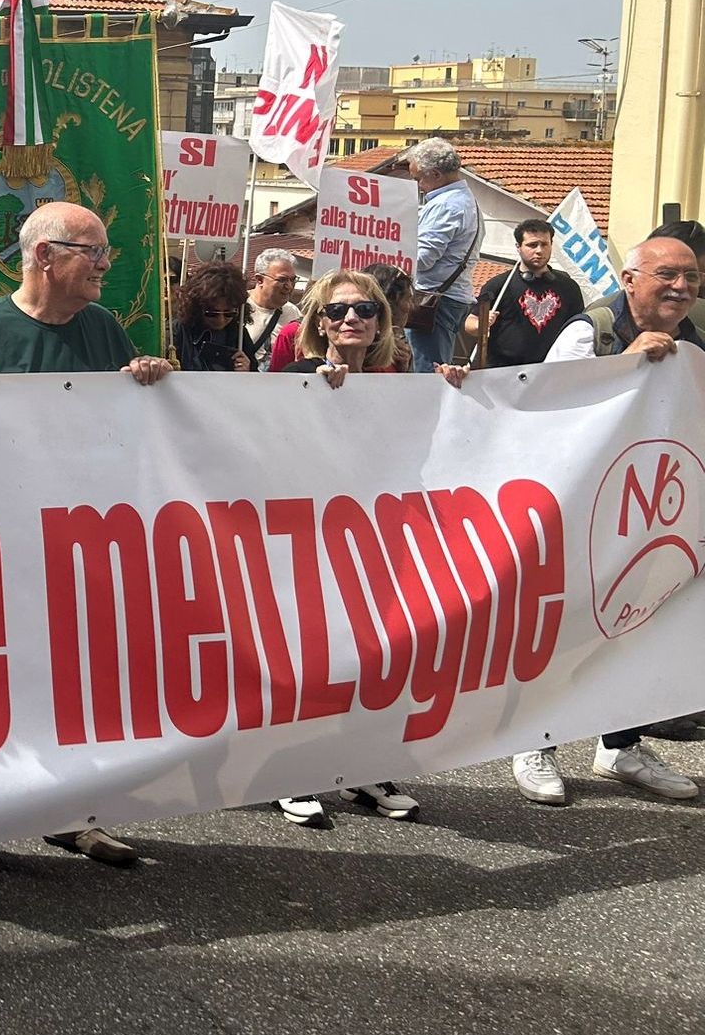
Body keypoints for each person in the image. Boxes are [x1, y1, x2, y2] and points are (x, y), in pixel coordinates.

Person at [0, 202, 171, 883]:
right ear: (44, 256)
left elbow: (130, 433)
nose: (105, 263)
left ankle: (72, 810)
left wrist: (147, 383)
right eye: (92, 250)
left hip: (76, 545)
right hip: (0, 549)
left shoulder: (103, 329)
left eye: (105, 250)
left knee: (70, 683)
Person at [509, 235, 704, 807]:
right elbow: (543, 407)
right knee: (562, 621)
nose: (682, 287)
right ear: (629, 279)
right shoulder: (586, 331)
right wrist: (622, 366)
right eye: (668, 274)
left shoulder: (693, 342)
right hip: (576, 506)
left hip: (644, 509)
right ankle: (532, 741)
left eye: (691, 277)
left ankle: (619, 746)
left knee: (637, 623)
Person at [271, 269, 468, 826]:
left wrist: (455, 391)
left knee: (375, 653)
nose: (350, 318)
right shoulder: (299, 374)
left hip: (376, 542)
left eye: (363, 309)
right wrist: (311, 380)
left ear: (383, 320)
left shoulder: (396, 384)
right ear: (319, 324)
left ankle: (360, 766)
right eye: (336, 312)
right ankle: (289, 770)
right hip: (307, 539)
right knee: (310, 655)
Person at [464, 219, 583, 368]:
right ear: (518, 247)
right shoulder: (499, 284)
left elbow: (578, 329)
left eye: (544, 244)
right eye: (532, 245)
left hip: (550, 371)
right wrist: (481, 324)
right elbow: (469, 323)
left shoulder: (568, 287)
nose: (539, 250)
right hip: (502, 371)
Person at [405, 138, 481, 372]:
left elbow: (423, 259)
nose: (417, 185)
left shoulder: (446, 205)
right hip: (448, 297)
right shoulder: (465, 200)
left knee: (429, 373)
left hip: (434, 301)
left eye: (419, 178)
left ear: (436, 175)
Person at [171, 263, 253, 371]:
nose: (221, 320)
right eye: (211, 313)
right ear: (197, 307)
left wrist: (248, 371)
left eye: (229, 314)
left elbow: (256, 382)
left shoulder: (239, 334)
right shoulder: (178, 331)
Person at [243, 250, 301, 371]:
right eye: (282, 280)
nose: (289, 286)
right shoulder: (239, 308)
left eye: (293, 280)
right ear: (259, 280)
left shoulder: (293, 313)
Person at [362, 262, 416, 372]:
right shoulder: (357, 350)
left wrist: (402, 369)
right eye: (406, 299)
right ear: (389, 302)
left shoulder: (399, 353)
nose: (410, 307)